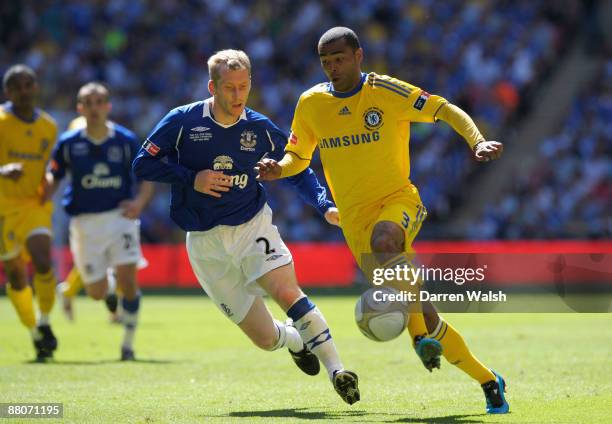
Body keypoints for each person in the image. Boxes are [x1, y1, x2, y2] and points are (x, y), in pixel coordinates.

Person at [256, 27, 509, 414]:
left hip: (398, 201)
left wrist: (476, 141)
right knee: (423, 311)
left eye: (339, 59)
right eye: (326, 62)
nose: (333, 68)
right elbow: (299, 158)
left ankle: (420, 337)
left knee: (385, 241)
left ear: (359, 56)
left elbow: (444, 109)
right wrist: (278, 169)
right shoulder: (311, 103)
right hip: (354, 221)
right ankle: (488, 380)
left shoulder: (386, 91)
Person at [133, 49, 360, 405]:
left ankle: (338, 370)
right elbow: (141, 164)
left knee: (288, 293)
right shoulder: (182, 121)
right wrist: (192, 178)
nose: (238, 97)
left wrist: (324, 204)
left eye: (244, 87)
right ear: (212, 86)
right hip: (205, 244)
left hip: (252, 226)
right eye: (230, 88)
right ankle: (296, 341)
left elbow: (296, 165)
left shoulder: (259, 128)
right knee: (265, 339)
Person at [46, 82, 154, 360]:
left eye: (99, 102)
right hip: (84, 224)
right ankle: (105, 282)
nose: (94, 108)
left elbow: (146, 178)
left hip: (121, 219)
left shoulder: (126, 140)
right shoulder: (69, 143)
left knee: (129, 283)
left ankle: (128, 345)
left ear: (108, 107)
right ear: (80, 108)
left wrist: (139, 203)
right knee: (95, 293)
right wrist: (34, 196)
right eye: (88, 103)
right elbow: (52, 180)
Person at [1, 64, 59, 361]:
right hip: (4, 207)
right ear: (8, 92)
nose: (24, 91)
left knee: (42, 259)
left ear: (35, 88)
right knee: (15, 275)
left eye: (28, 85)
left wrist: (49, 180)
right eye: (17, 86)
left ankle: (46, 321)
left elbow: (50, 165)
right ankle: (33, 329)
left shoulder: (48, 126)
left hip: (35, 204)